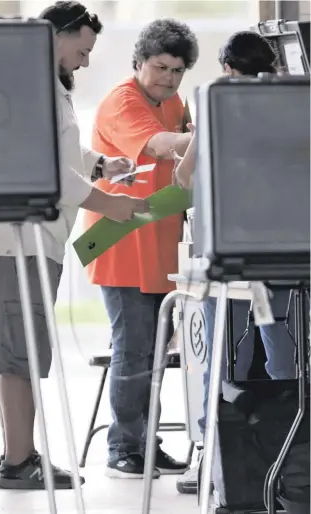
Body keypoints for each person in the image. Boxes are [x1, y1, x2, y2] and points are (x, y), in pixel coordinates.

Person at [0, 1, 149, 490]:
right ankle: (18, 462)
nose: (84, 62)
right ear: (55, 35)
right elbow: (50, 175)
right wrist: (110, 204)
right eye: (80, 51)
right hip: (8, 244)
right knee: (17, 356)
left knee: (16, 355)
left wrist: (100, 164)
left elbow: (57, 147)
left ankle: (20, 455)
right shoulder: (28, 83)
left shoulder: (41, 84)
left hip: (11, 242)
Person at [174, 30, 297, 494]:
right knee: (283, 354)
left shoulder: (216, 105)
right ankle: (290, 456)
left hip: (227, 257)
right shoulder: (290, 110)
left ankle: (215, 461)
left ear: (227, 67)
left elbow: (183, 176)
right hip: (278, 253)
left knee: (226, 357)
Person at [83, 19, 199, 479]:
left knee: (152, 352)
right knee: (132, 350)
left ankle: (143, 443)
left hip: (158, 243)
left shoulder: (173, 101)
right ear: (139, 62)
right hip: (120, 242)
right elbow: (163, 145)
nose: (167, 79)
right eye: (159, 67)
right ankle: (123, 449)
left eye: (176, 70)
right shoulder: (122, 101)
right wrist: (218, 127)